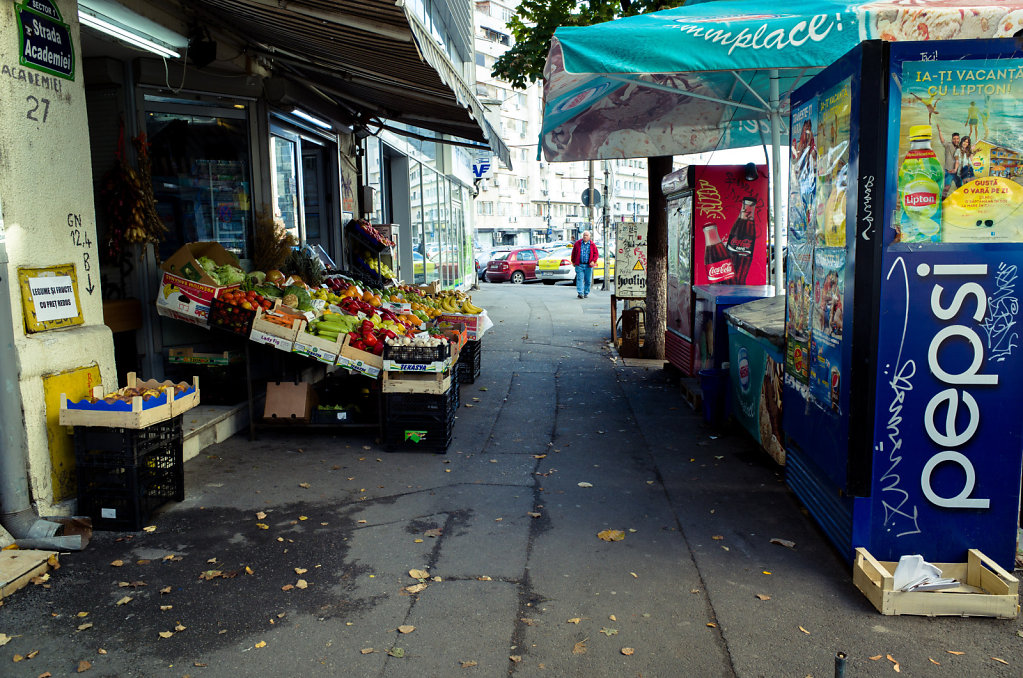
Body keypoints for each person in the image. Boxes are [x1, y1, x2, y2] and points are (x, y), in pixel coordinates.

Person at [571, 230, 599, 299]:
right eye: (584, 235)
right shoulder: (578, 243)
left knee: (588, 280)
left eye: (586, 235)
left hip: (588, 266)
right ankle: (580, 293)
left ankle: (586, 292)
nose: (585, 236)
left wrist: (593, 261)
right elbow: (573, 253)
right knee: (580, 279)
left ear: (589, 237)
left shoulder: (592, 245)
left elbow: (596, 254)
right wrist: (573, 261)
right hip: (579, 265)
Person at [935, 123, 960, 197]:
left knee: (960, 187)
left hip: (957, 171)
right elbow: (942, 141)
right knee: (946, 188)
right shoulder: (948, 145)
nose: (956, 140)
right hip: (949, 170)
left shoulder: (960, 147)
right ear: (952, 139)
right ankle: (942, 201)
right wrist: (939, 131)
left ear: (959, 139)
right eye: (954, 139)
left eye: (957, 139)